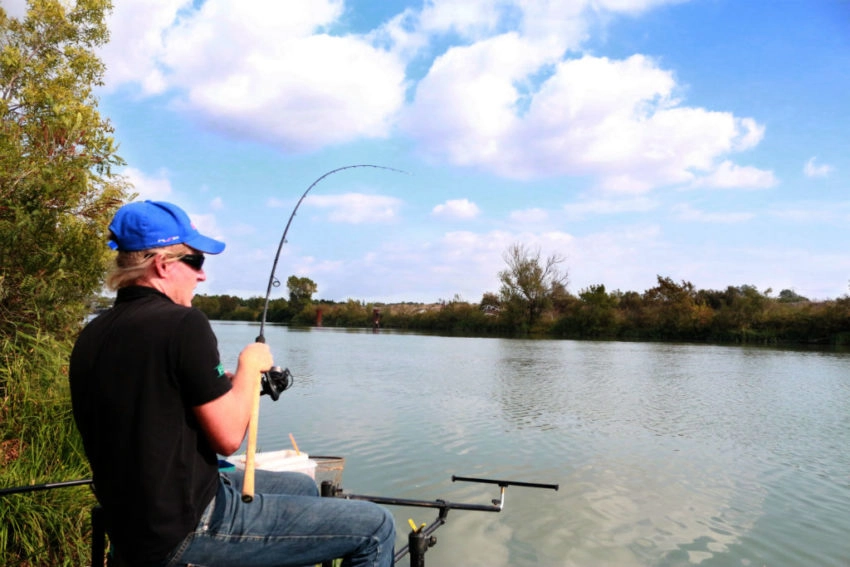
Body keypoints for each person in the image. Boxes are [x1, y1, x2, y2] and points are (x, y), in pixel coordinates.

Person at [69, 200, 395, 567]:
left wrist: (233, 382)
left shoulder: (94, 333)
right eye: (195, 261)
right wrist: (249, 363)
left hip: (131, 526)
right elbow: (227, 437)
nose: (202, 275)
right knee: (376, 526)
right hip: (184, 526)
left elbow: (158, 393)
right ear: (162, 264)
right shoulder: (183, 324)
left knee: (302, 486)